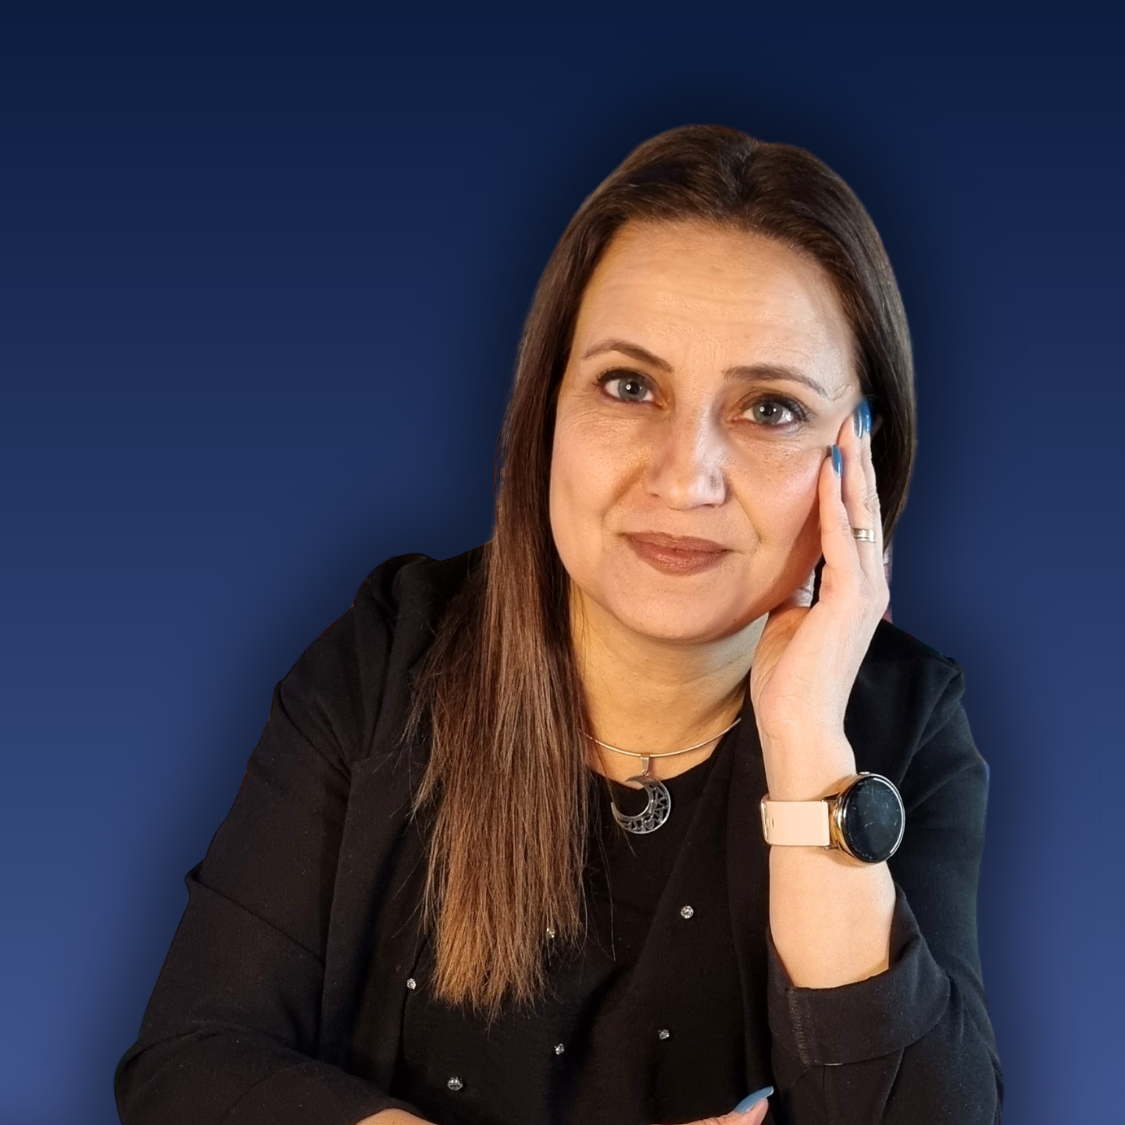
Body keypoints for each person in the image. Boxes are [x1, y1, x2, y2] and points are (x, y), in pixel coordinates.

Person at [114, 124, 1003, 1125]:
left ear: (862, 459)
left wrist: (806, 753)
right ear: (545, 410)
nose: (685, 477)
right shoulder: (389, 655)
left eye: (769, 409)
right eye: (630, 386)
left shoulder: (906, 727)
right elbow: (189, 1068)